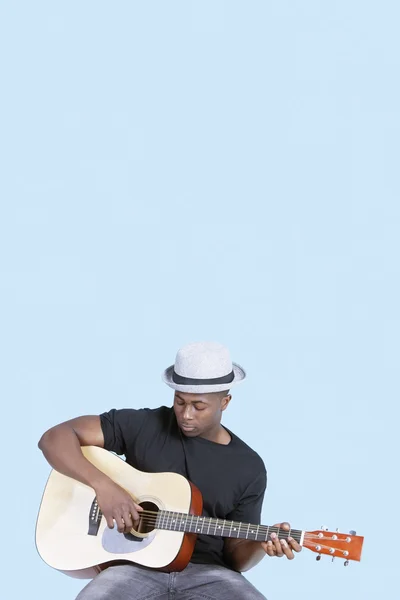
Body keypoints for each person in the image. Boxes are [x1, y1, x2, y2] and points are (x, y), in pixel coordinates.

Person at [38, 341, 301, 599]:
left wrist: (262, 545)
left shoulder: (248, 467)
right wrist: (104, 486)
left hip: (209, 574)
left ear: (225, 402)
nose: (186, 414)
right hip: (132, 567)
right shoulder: (144, 425)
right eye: (180, 401)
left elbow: (236, 556)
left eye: (199, 406)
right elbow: (54, 438)